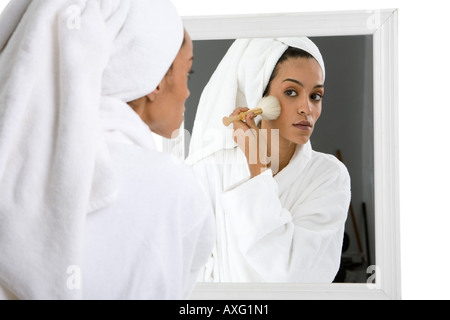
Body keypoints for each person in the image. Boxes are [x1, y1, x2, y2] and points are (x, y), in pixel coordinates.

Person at [0, 0, 214, 300]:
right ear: (154, 80)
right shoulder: (172, 187)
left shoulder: (12, 156)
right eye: (187, 72)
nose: (187, 91)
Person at [187, 38, 351, 283]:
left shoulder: (328, 175)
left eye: (316, 96)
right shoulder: (210, 170)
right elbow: (194, 272)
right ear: (259, 97)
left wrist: (257, 167)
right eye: (291, 92)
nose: (307, 108)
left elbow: (297, 276)